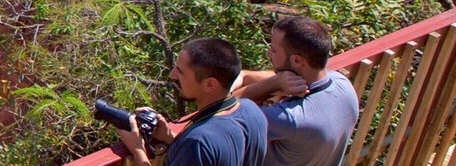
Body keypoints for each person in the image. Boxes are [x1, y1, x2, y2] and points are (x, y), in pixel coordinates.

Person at [119, 37, 268, 166]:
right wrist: (170, 138)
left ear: (210, 84)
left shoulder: (197, 141)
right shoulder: (252, 110)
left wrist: (137, 149)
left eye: (180, 71)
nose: (172, 75)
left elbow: (204, 147)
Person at [232, 16, 359, 166]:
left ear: (297, 61)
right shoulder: (342, 85)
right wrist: (245, 75)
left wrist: (272, 84)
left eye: (273, 50)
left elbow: (218, 112)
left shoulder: (288, 118)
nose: (268, 54)